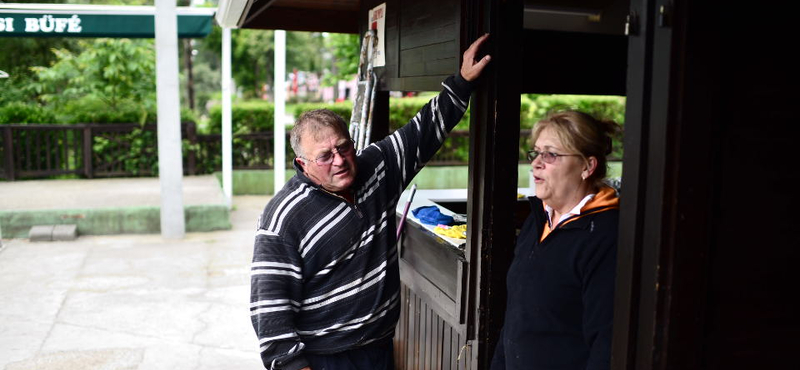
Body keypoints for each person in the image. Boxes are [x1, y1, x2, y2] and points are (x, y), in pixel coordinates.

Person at [250, 34, 492, 370]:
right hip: (324, 359)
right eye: (324, 156)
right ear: (302, 164)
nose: (339, 160)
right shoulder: (284, 216)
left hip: (377, 348)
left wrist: (462, 82)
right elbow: (269, 307)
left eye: (343, 147)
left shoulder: (374, 168)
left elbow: (422, 132)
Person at [491, 111, 621, 370]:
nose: (536, 164)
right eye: (536, 153)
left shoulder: (605, 235)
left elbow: (605, 344)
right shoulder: (539, 218)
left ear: (587, 166)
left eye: (551, 154)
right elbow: (516, 318)